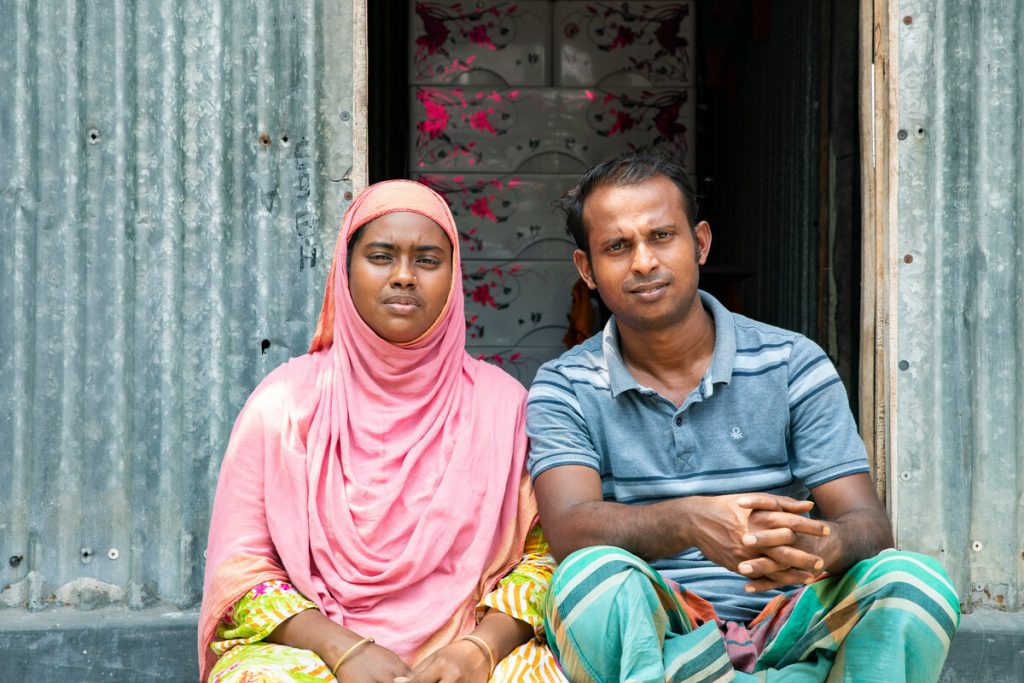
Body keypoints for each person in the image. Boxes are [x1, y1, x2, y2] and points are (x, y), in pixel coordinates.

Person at [525, 150, 959, 682]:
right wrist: (689, 520)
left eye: (662, 236)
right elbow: (570, 530)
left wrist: (816, 545)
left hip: (790, 620)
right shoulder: (564, 384)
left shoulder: (792, 362)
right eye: (618, 247)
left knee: (913, 582)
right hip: (663, 625)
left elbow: (867, 525)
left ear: (700, 242)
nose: (643, 262)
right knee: (587, 582)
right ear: (587, 270)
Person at [198, 180, 565, 683]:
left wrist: (478, 649)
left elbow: (543, 559)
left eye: (428, 260)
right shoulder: (283, 403)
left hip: (472, 650)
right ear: (345, 271)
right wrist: (343, 651)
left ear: (453, 276)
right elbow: (241, 572)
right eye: (381, 256)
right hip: (320, 650)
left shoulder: (504, 406)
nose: (404, 277)